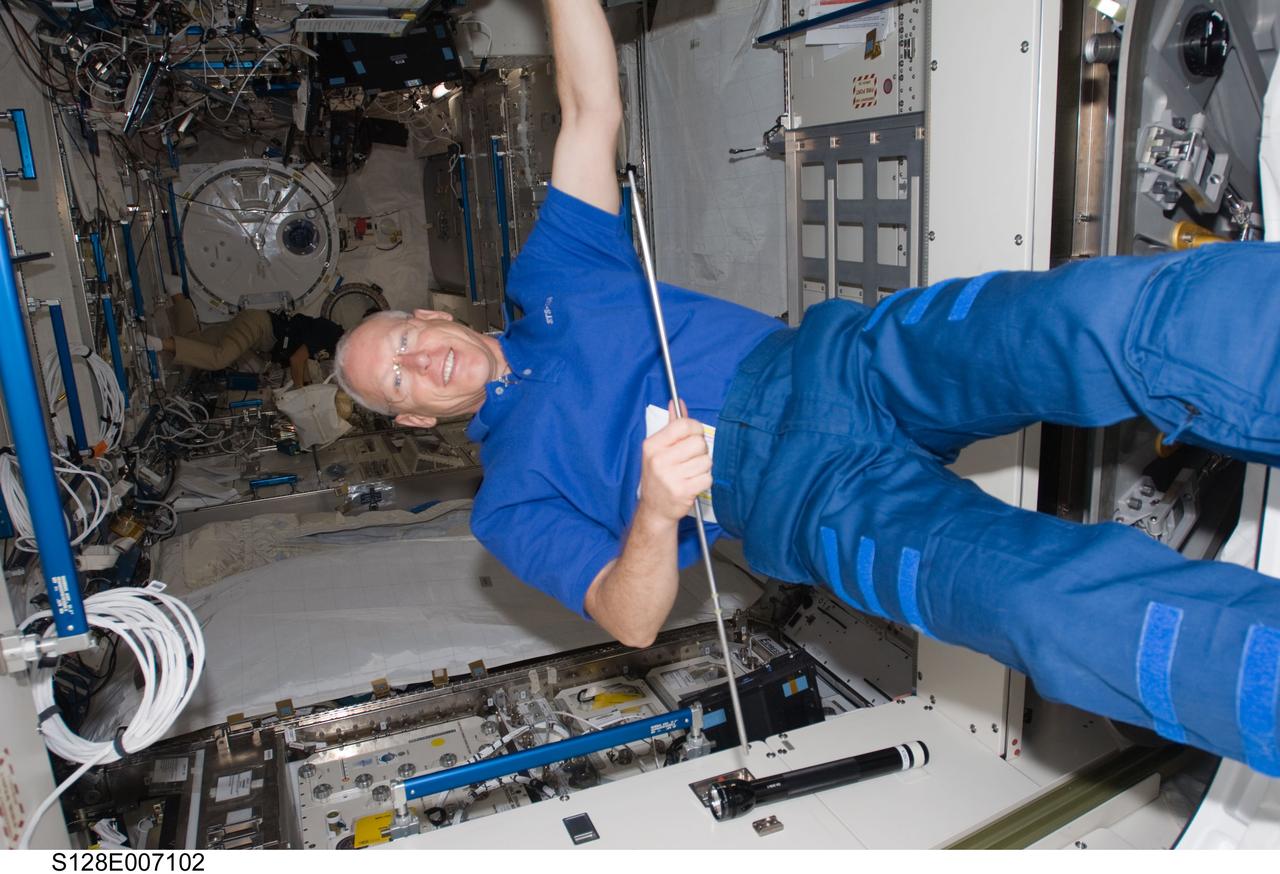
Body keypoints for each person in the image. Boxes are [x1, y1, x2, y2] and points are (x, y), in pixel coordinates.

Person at [334, 0, 1280, 775]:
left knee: (1091, 323)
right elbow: (629, 618)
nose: (420, 358)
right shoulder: (507, 505)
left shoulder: (552, 278)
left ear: (440, 316)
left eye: (410, 334)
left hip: (841, 364)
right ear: (413, 416)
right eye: (399, 379)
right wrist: (656, 514)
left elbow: (590, 110)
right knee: (1043, 610)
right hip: (809, 506)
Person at [147, 295, 344, 388]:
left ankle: (176, 293)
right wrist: (303, 394)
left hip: (257, 329)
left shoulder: (334, 344)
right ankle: (158, 344)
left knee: (197, 343)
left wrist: (308, 386)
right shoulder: (331, 333)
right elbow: (296, 359)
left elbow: (303, 359)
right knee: (218, 359)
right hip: (258, 328)